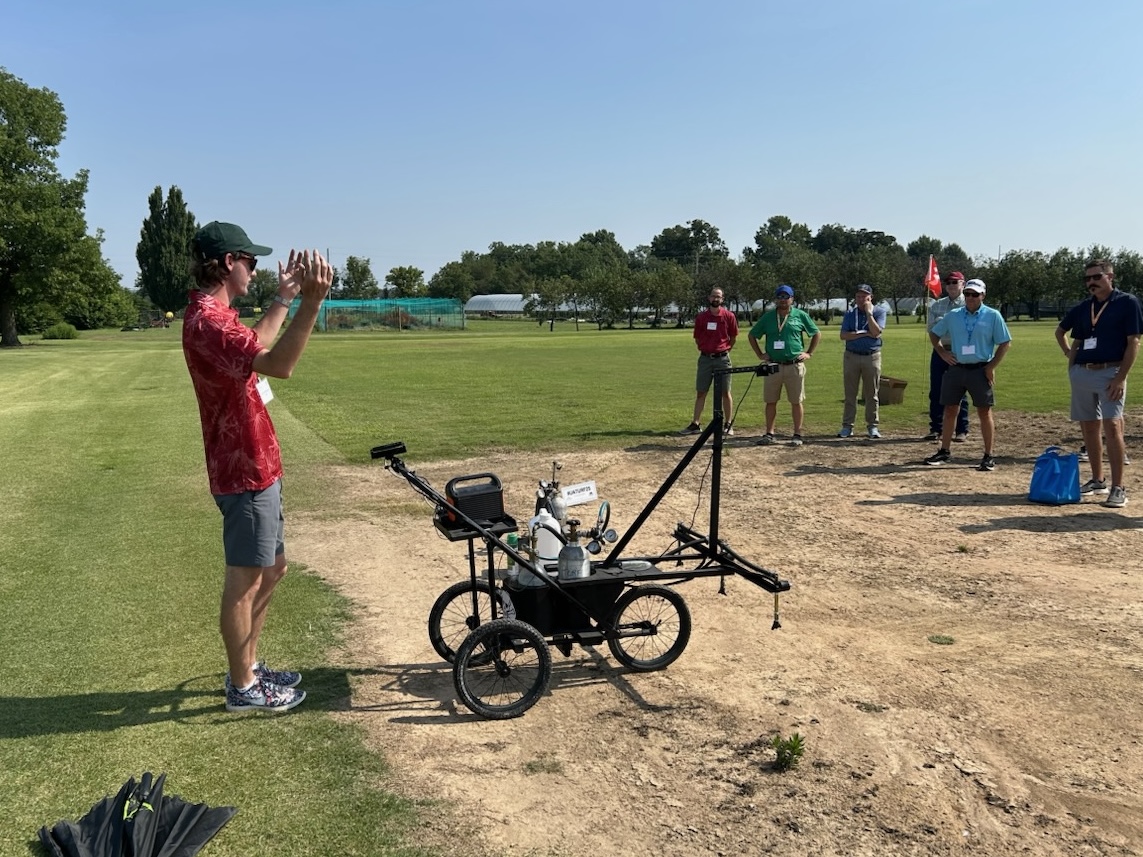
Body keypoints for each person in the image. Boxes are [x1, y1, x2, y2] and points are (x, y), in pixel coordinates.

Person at [183, 221, 333, 712]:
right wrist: (311, 302)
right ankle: (242, 687)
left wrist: (285, 299)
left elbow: (254, 345)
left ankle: (248, 664)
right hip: (243, 471)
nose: (256, 269)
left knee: (273, 570)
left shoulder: (219, 316)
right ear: (228, 262)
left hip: (258, 465)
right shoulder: (208, 320)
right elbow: (277, 364)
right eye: (251, 260)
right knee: (246, 580)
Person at [1054, 258, 1142, 508]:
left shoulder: (1127, 303)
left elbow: (1133, 342)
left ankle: (1118, 487)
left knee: (1112, 426)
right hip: (1082, 373)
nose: (1091, 283)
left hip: (1111, 372)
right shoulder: (1084, 307)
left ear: (1110, 277)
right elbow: (1061, 332)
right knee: (1089, 428)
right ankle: (1097, 479)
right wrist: (1070, 361)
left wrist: (1121, 377)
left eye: (1096, 277)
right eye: (1087, 279)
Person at [924, 279, 1011, 471]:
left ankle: (988, 455)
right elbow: (934, 333)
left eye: (975, 294)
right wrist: (942, 353)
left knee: (984, 412)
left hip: (980, 369)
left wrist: (991, 366)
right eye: (968, 294)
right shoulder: (953, 315)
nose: (971, 298)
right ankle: (944, 451)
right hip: (956, 368)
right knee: (949, 410)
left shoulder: (993, 315)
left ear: (983, 296)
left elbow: (1005, 343)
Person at [747, 284, 821, 446]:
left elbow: (815, 333)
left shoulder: (800, 315)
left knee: (796, 401)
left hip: (794, 365)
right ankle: (769, 433)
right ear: (776, 299)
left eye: (786, 297)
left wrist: (809, 353)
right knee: (771, 401)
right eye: (780, 297)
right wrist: (760, 354)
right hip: (773, 365)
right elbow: (752, 335)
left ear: (792, 299)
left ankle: (797, 433)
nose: (783, 300)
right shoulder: (768, 317)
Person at [683, 287, 738, 436]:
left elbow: (733, 338)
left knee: (725, 392)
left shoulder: (729, 316)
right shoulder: (702, 317)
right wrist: (706, 349)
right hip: (705, 359)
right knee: (701, 392)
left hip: (723, 359)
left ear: (722, 299)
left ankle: (728, 424)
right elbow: (697, 338)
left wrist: (724, 351)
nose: (716, 299)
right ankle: (695, 423)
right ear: (709, 298)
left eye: (718, 297)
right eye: (713, 296)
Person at [837, 283, 887, 439]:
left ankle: (872, 426)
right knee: (850, 393)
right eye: (858, 296)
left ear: (870, 297)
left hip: (871, 356)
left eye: (864, 296)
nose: (860, 299)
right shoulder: (849, 313)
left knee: (872, 394)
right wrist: (864, 334)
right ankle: (847, 426)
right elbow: (844, 335)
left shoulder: (879, 312)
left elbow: (877, 332)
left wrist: (869, 314)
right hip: (851, 356)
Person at [926, 271, 970, 442]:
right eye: (948, 282)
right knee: (936, 390)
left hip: (961, 352)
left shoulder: (969, 303)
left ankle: (961, 430)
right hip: (940, 349)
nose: (951, 285)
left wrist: (944, 324)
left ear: (962, 284)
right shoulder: (937, 305)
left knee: (960, 391)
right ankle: (936, 429)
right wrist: (942, 351)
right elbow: (931, 330)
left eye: (955, 282)